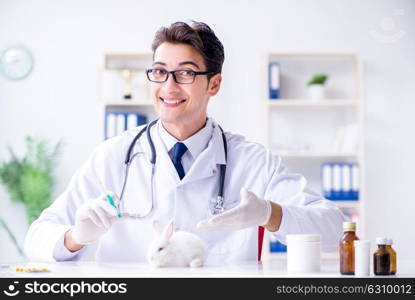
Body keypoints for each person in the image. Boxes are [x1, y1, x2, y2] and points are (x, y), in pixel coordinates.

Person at [24, 21, 345, 264]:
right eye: (160, 71)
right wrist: (74, 237)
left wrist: (269, 213)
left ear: (214, 84)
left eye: (186, 73)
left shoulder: (253, 160)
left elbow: (334, 229)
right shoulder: (114, 155)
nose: (169, 86)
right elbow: (36, 237)